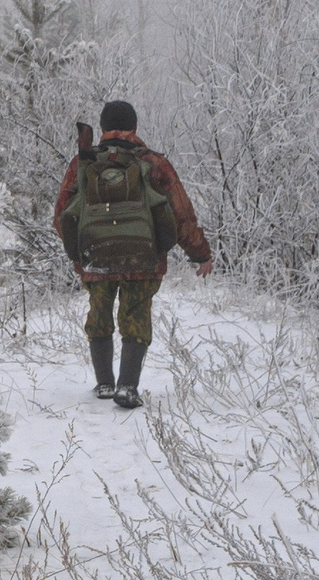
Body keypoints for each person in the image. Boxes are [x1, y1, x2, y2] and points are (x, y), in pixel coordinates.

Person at [51, 98, 211, 410]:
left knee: (98, 313)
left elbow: (62, 215)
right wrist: (200, 254)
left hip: (95, 257)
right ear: (135, 127)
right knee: (136, 315)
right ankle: (127, 386)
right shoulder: (154, 162)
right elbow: (182, 215)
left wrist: (78, 253)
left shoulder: (83, 163)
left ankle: (104, 383)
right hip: (145, 259)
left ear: (102, 129)